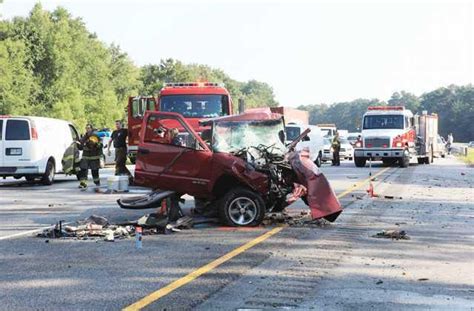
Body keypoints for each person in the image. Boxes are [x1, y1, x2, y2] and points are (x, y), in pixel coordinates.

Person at [78, 124, 103, 189]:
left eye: (88, 128)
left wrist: (95, 144)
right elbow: (81, 146)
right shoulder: (84, 136)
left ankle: (97, 182)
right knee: (83, 169)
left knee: (94, 171)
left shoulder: (95, 136)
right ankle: (83, 183)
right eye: (86, 128)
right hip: (85, 156)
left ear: (91, 129)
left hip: (94, 157)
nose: (87, 129)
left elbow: (100, 145)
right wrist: (78, 144)